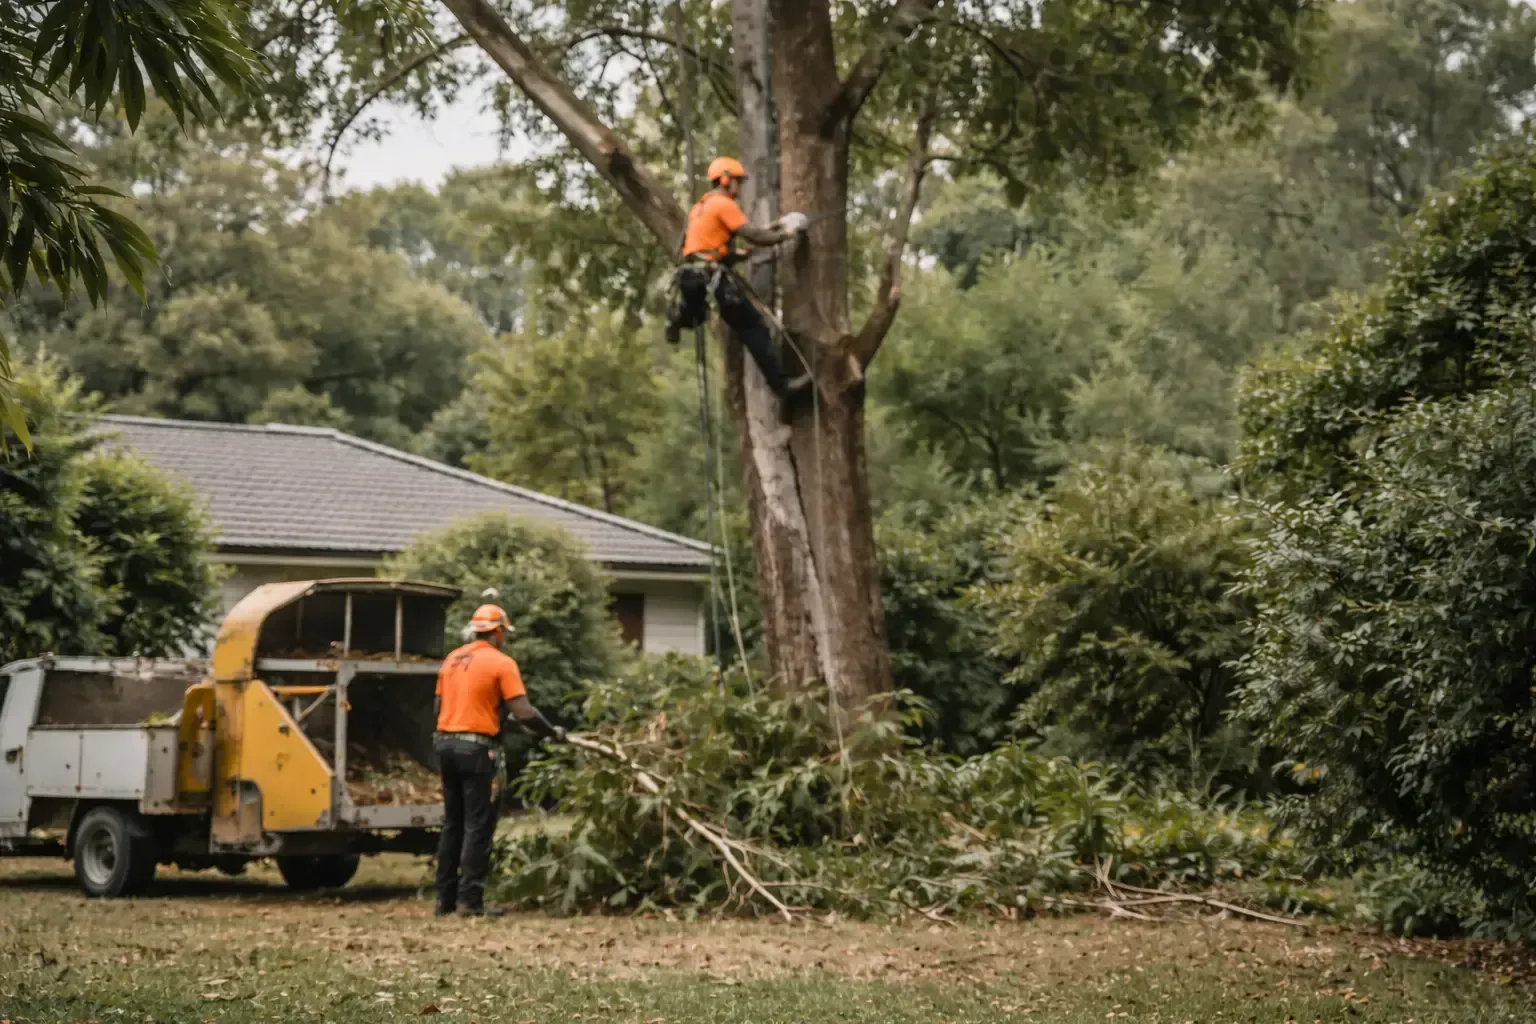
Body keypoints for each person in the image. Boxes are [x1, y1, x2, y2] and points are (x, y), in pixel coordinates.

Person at [432, 603, 565, 917]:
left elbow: (439, 708)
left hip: (446, 745)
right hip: (478, 751)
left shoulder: (452, 659)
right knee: (478, 825)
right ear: (499, 631)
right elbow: (525, 712)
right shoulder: (501, 663)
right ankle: (470, 903)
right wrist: (551, 732)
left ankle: (444, 902)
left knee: (453, 823)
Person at [666, 156, 811, 398]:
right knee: (752, 326)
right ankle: (782, 386)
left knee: (697, 314)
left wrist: (738, 254)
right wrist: (786, 233)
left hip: (690, 277)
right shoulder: (723, 203)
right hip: (710, 277)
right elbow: (754, 235)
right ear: (725, 179)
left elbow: (706, 246)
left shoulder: (699, 207)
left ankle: (677, 317)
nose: (739, 187)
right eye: (737, 181)